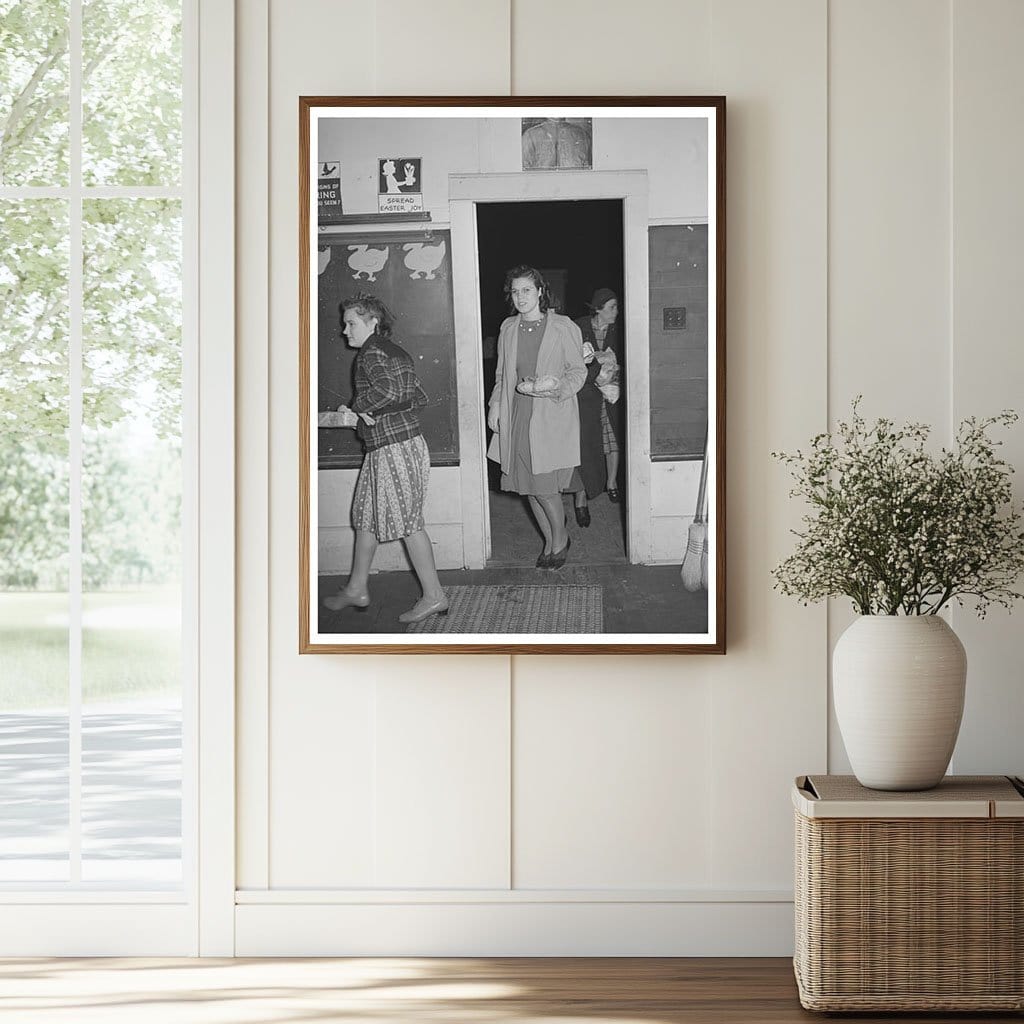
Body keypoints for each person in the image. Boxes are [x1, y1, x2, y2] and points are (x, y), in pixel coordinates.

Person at [319, 293, 448, 623]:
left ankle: (434, 596)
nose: (344, 330)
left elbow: (390, 392)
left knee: (408, 522)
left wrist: (360, 408)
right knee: (365, 515)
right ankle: (357, 587)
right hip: (396, 445)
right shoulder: (395, 351)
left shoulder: (371, 352)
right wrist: (382, 409)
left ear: (373, 322)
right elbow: (416, 395)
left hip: (394, 448)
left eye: (351, 323)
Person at [487, 266, 586, 568]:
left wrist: (557, 387)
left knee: (544, 487)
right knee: (526, 485)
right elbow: (503, 373)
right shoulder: (507, 328)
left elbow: (578, 371)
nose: (520, 297)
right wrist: (494, 406)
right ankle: (549, 541)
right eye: (515, 291)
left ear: (541, 292)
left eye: (527, 290)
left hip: (549, 414)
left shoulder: (562, 326)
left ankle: (560, 540)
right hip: (517, 412)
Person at [572, 288, 624, 526]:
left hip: (611, 393)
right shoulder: (580, 326)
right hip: (586, 394)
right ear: (598, 309)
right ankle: (580, 500)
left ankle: (611, 483)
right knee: (587, 447)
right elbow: (572, 359)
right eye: (612, 307)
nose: (616, 311)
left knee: (613, 438)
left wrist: (612, 366)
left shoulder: (618, 329)